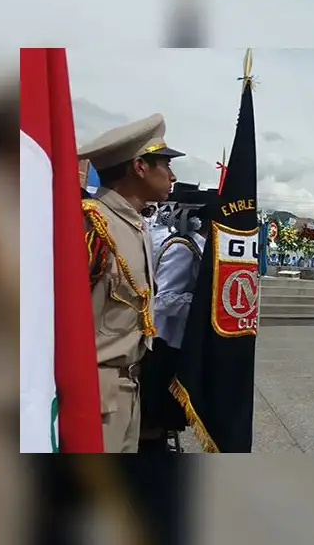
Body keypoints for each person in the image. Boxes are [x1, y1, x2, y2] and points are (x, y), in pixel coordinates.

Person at [79, 113, 184, 453]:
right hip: (93, 393)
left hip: (129, 389)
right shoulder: (93, 223)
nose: (172, 175)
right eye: (164, 165)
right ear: (140, 167)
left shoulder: (135, 226)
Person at [139, 207, 209, 453]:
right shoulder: (182, 247)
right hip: (165, 342)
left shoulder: (198, 246)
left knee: (167, 418)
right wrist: (203, 304)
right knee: (156, 418)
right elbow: (164, 299)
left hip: (178, 341)